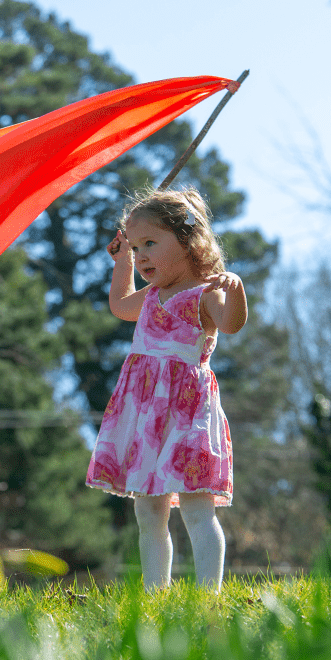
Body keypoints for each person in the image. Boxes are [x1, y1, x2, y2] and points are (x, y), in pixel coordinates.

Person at [85, 186, 247, 591]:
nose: (142, 256)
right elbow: (121, 306)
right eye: (136, 246)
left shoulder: (204, 294)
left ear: (189, 241)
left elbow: (231, 324)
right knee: (149, 512)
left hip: (186, 413)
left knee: (196, 507)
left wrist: (236, 288)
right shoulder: (153, 295)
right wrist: (121, 261)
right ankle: (156, 593)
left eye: (150, 243)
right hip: (144, 414)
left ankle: (209, 594)